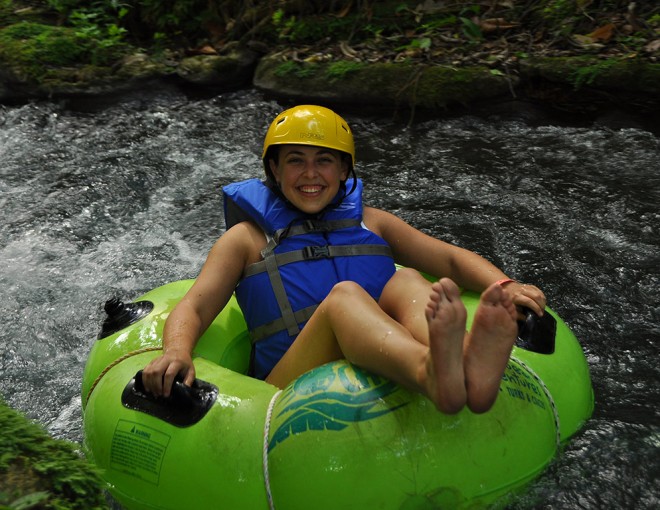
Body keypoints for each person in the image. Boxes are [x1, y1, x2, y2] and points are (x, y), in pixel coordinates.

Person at [142, 105, 546, 414]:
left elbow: (452, 260)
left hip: (382, 352)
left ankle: (467, 362)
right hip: (285, 386)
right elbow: (194, 305)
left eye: (324, 160)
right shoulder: (245, 240)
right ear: (274, 170)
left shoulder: (374, 224)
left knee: (405, 282)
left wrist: (505, 286)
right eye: (295, 160)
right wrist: (176, 351)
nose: (310, 173)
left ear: (344, 170)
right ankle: (431, 373)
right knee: (346, 298)